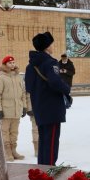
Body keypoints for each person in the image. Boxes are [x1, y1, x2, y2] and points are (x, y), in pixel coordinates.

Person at [25, 32, 71, 165]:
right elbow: (55, 82)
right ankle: (49, 170)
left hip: (39, 107)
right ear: (46, 46)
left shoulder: (30, 66)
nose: (53, 47)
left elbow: (28, 86)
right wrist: (67, 89)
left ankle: (42, 169)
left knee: (44, 141)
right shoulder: (50, 63)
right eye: (51, 44)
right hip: (52, 108)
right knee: (51, 142)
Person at [0, 55, 27, 161]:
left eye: (13, 62)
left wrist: (24, 107)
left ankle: (14, 151)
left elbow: (23, 93)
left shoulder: (19, 77)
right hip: (6, 110)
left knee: (14, 132)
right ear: (5, 64)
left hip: (17, 110)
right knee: (5, 132)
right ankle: (7, 152)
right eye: (10, 63)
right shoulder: (0, 77)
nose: (12, 64)